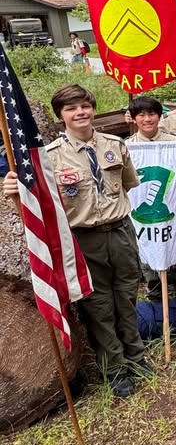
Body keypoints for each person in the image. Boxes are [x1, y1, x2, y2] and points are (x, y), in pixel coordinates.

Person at [3, 84, 148, 398]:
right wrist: (16, 188)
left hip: (121, 233)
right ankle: (116, 370)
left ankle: (137, 357)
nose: (80, 112)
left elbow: (127, 184)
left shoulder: (115, 145)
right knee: (99, 308)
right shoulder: (51, 157)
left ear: (92, 108)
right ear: (61, 116)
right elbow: (38, 196)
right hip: (84, 240)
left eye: (84, 106)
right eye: (71, 108)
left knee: (126, 297)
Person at [128, 96, 176, 302]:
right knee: (147, 246)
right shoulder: (128, 147)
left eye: (152, 114)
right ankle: (155, 294)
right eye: (142, 115)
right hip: (142, 210)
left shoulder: (175, 144)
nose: (147, 119)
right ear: (134, 118)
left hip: (170, 205)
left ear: (160, 116)